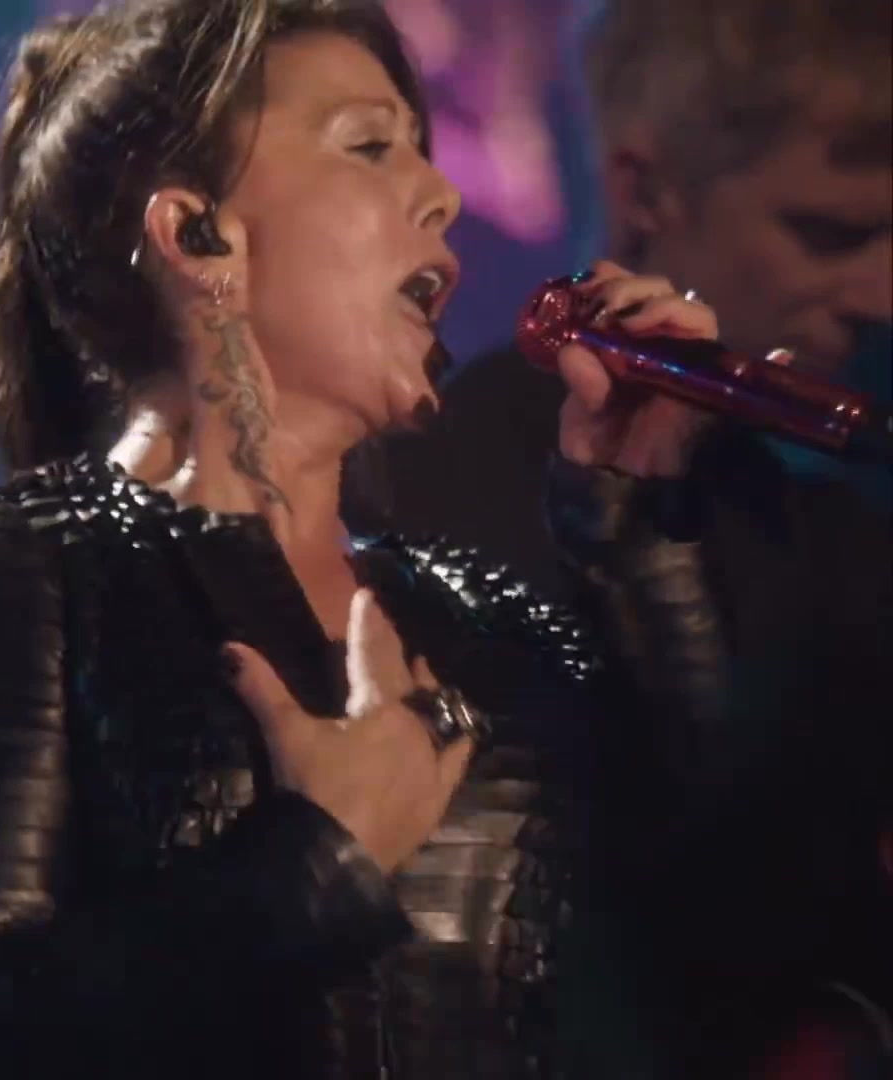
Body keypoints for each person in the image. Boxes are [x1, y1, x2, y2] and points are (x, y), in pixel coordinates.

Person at [0, 1, 729, 1075]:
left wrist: (636, 527)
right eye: (369, 145)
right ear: (196, 234)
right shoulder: (25, 566)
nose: (444, 194)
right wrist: (316, 865)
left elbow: (715, 915)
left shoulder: (471, 609)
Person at [353, 1, 893, 1072]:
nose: (884, 294)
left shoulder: (836, 515)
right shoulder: (429, 485)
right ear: (647, 192)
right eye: (827, 233)